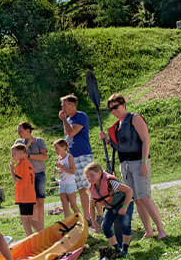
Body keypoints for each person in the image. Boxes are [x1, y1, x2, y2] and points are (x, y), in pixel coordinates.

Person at [100, 93, 167, 239]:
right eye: (111, 109)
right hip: (125, 165)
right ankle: (148, 231)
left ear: (123, 104)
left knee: (144, 197)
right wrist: (107, 141)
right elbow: (120, 147)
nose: (114, 111)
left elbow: (145, 140)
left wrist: (144, 162)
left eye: (116, 107)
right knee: (136, 199)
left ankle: (161, 229)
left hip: (138, 162)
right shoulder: (117, 125)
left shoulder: (134, 118)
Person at [84, 161, 134, 260]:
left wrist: (124, 207)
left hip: (126, 203)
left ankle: (125, 250)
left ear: (100, 173)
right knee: (105, 227)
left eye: (92, 176)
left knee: (125, 225)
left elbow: (129, 191)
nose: (89, 179)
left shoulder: (110, 182)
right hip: (112, 208)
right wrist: (93, 222)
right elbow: (91, 207)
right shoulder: (93, 189)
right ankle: (116, 249)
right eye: (87, 177)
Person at [58, 94, 93, 230]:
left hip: (83, 156)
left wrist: (64, 121)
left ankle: (97, 216)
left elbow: (71, 133)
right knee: (81, 189)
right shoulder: (67, 119)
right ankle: (88, 218)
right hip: (73, 157)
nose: (62, 107)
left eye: (64, 105)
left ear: (73, 105)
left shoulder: (80, 116)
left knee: (89, 187)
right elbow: (67, 138)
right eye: (62, 105)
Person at [17, 122, 48, 230]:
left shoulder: (39, 141)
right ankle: (37, 230)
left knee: (40, 203)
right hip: (26, 178)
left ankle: (41, 229)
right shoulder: (18, 142)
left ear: (28, 130)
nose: (18, 133)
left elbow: (44, 157)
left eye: (20, 131)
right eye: (18, 131)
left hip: (39, 175)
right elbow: (18, 156)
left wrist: (29, 155)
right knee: (32, 204)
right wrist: (27, 145)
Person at [11, 142, 39, 236]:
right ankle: (41, 233)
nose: (12, 156)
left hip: (24, 196)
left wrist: (11, 170)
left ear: (20, 153)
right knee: (29, 219)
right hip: (30, 195)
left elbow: (16, 180)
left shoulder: (20, 165)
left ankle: (30, 239)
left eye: (13, 154)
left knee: (25, 220)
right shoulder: (28, 163)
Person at [52, 138, 80, 220]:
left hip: (70, 184)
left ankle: (82, 222)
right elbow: (59, 174)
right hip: (62, 184)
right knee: (64, 206)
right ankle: (68, 224)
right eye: (55, 148)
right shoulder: (58, 158)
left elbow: (73, 171)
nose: (56, 150)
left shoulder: (69, 157)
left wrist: (62, 167)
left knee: (73, 205)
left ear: (64, 147)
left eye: (57, 148)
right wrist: (56, 171)